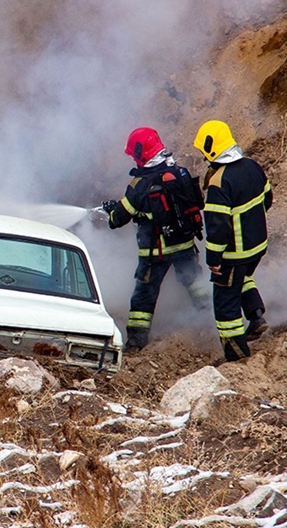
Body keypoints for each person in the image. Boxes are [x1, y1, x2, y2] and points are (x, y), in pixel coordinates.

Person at [99, 127, 211, 351]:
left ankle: (136, 343)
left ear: (141, 154)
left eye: (134, 155)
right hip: (186, 244)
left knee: (144, 296)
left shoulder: (138, 186)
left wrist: (111, 211)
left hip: (156, 252)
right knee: (195, 283)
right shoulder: (179, 173)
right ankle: (209, 320)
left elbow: (116, 220)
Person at [193, 120, 273, 362]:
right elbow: (267, 199)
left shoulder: (220, 182)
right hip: (257, 247)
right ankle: (256, 314)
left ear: (211, 149)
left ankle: (238, 356)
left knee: (225, 303)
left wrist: (214, 259)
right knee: (242, 278)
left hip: (234, 253)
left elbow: (217, 228)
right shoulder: (252, 166)